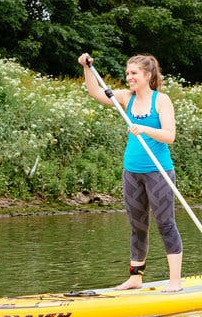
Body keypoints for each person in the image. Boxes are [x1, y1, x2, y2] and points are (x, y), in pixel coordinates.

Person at [78, 53, 183, 292]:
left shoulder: (161, 100)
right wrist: (86, 68)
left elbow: (170, 135)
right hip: (131, 171)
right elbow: (95, 93)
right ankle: (136, 277)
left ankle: (175, 280)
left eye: (134, 73)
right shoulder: (126, 98)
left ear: (147, 75)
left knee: (165, 223)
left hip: (158, 171)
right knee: (138, 226)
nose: (129, 77)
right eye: (127, 73)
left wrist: (144, 128)